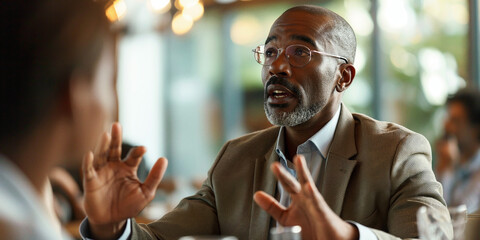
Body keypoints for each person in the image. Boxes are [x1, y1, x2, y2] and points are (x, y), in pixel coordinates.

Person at [80, 5, 451, 240]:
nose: (277, 66)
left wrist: (345, 236)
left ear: (344, 77)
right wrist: (110, 228)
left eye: (300, 52)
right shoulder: (237, 157)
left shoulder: (397, 151)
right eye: (270, 51)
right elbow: (162, 238)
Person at [0, 0, 139, 239]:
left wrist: (106, 230)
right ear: (74, 96)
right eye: (108, 81)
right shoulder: (24, 231)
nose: (110, 102)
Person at [435, 89, 480, 213]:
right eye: (448, 119)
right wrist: (444, 167)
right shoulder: (451, 162)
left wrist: (447, 169)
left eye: (455, 121)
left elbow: (460, 216)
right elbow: (431, 208)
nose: (447, 126)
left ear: (476, 127)